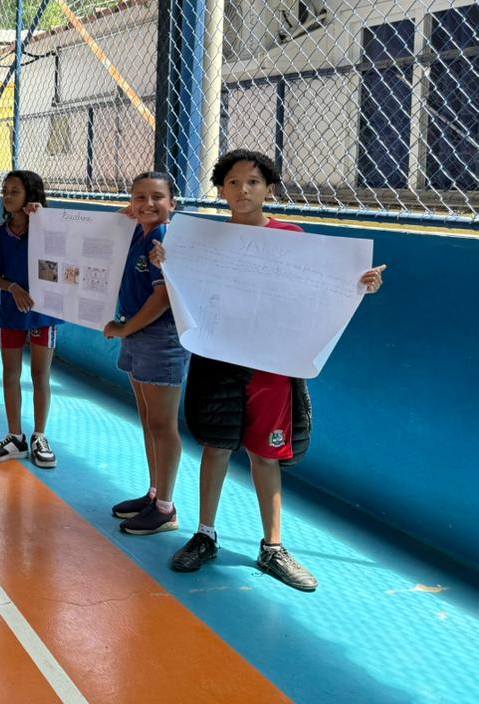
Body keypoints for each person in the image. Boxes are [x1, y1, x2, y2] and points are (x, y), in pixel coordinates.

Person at [160, 149, 385, 590]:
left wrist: (358, 286)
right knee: (216, 447)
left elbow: (319, 289)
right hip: (220, 361)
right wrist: (165, 262)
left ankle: (273, 547)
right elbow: (185, 284)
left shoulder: (292, 238)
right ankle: (205, 535)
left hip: (271, 369)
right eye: (233, 182)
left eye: (253, 182)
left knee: (266, 455)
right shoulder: (204, 241)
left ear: (269, 188)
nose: (243, 190)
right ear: (220, 190)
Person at [101, 171, 190, 535]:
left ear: (173, 204)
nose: (148, 203)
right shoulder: (139, 233)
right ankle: (154, 494)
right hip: (137, 334)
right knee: (148, 419)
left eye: (157, 197)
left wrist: (124, 329)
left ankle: (166, 508)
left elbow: (163, 297)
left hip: (159, 337)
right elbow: (117, 224)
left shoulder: (163, 237)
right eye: (139, 197)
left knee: (162, 425)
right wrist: (133, 211)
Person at [0, 170, 59, 468]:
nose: (7, 196)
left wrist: (43, 220)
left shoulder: (46, 230)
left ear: (30, 196)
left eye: (15, 191)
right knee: (10, 373)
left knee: (40, 374)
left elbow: (63, 255)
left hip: (44, 313)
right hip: (12, 312)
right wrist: (13, 288)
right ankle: (15, 437)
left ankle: (40, 436)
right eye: (5, 190)